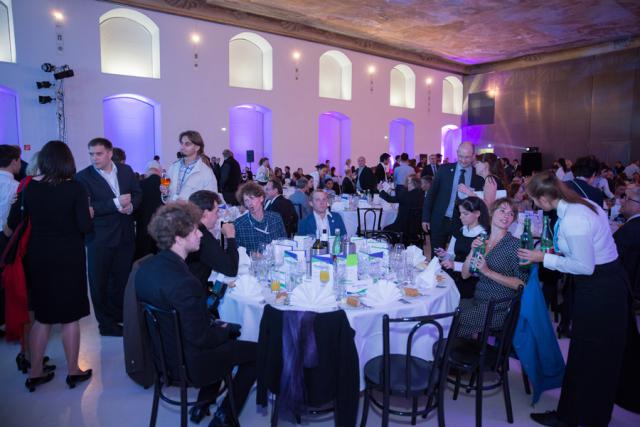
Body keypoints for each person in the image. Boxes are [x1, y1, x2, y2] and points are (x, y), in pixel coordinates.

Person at [518, 171, 634, 427]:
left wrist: (543, 258)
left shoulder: (575, 219)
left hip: (600, 290)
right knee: (583, 354)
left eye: (535, 200)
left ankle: (589, 418)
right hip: (601, 284)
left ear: (546, 197)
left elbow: (584, 266)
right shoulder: (580, 203)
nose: (535, 205)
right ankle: (569, 414)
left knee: (597, 357)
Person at [136, 202, 257, 427]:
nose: (200, 234)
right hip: (191, 364)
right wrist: (227, 329)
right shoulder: (185, 282)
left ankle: (204, 403)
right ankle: (226, 417)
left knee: (223, 337)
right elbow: (201, 338)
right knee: (257, 351)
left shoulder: (145, 270)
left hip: (163, 357)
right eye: (194, 231)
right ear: (179, 238)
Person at [15, 141, 93, 391]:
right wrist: (88, 214)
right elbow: (84, 227)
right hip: (68, 255)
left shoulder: (31, 189)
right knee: (70, 317)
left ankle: (35, 371)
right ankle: (73, 370)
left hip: (39, 255)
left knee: (42, 316)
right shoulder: (76, 189)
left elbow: (21, 220)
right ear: (67, 161)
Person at [76, 137, 142, 337]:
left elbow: (138, 193)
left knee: (121, 279)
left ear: (110, 153)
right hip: (99, 238)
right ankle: (105, 324)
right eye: (91, 154)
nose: (94, 158)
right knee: (99, 282)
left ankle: (119, 315)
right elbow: (87, 209)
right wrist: (115, 203)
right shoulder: (82, 177)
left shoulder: (126, 170)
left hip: (124, 234)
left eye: (99, 153)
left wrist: (131, 206)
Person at [457, 198, 528, 337]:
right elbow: (465, 275)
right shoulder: (484, 241)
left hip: (498, 307)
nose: (506, 216)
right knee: (447, 308)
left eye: (511, 213)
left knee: (454, 319)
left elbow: (522, 285)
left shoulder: (515, 245)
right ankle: (458, 351)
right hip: (478, 300)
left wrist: (487, 272)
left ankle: (455, 352)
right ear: (491, 213)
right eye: (502, 211)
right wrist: (472, 251)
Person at [421, 141, 484, 255]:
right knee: (436, 256)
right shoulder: (444, 169)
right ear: (457, 153)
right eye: (460, 156)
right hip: (440, 219)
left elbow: (479, 202)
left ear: (474, 156)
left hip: (462, 223)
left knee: (458, 256)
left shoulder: (478, 176)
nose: (463, 160)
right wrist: (425, 217)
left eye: (467, 157)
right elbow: (431, 194)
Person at [435, 197, 490, 298]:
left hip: (471, 280)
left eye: (465, 214)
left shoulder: (484, 236)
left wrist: (455, 265)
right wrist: (445, 255)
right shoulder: (460, 231)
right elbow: (453, 255)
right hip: (454, 274)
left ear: (477, 214)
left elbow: (477, 269)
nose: (461, 217)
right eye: (460, 213)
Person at [187, 191, 239, 288]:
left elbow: (218, 258)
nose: (218, 215)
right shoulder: (201, 236)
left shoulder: (187, 227)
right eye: (216, 212)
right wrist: (230, 236)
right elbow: (231, 269)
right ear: (205, 214)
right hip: (195, 292)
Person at [161, 131, 219, 202]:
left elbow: (211, 201)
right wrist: (165, 193)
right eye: (181, 143)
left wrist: (188, 205)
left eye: (187, 144)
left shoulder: (207, 173)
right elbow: (166, 193)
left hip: (192, 212)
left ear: (197, 147)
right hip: (173, 211)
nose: (182, 147)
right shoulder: (173, 167)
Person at [234, 182, 286, 253]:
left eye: (252, 198)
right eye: (246, 200)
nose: (250, 203)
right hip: (252, 263)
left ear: (261, 198)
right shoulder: (239, 224)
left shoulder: (275, 218)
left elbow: (284, 243)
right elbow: (238, 253)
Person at [614, 184, 640, 303]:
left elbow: (612, 258)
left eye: (627, 198)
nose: (622, 200)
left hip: (623, 285)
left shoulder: (629, 230)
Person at [134, 163, 162, 260]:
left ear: (146, 173)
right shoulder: (165, 184)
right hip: (162, 228)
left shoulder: (139, 185)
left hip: (143, 227)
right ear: (159, 171)